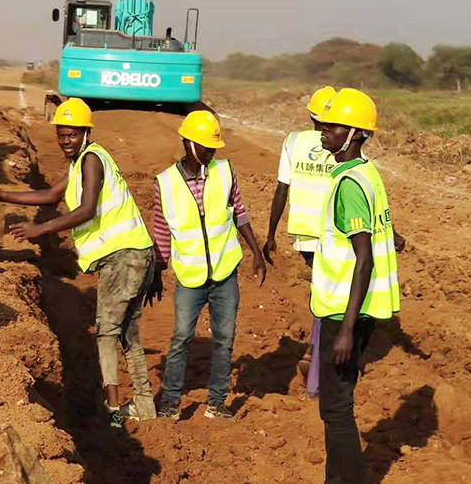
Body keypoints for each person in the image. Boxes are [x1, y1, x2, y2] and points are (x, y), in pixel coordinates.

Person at [0, 98, 157, 427]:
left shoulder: (92, 161)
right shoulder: (81, 162)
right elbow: (51, 196)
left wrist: (39, 228)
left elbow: (86, 210)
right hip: (133, 253)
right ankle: (144, 405)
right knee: (127, 333)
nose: (64, 140)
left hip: (124, 255)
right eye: (61, 135)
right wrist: (1, 194)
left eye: (71, 135)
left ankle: (113, 412)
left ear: (85, 132)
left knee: (106, 332)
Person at [149, 111, 267, 421]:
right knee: (181, 339)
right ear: (187, 143)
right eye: (206, 147)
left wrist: (255, 250)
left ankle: (217, 403)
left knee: (225, 339)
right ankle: (171, 404)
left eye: (214, 148)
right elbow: (162, 230)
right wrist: (157, 272)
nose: (211, 153)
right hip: (190, 277)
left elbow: (239, 212)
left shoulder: (225, 172)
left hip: (225, 272)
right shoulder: (166, 182)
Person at [311, 88, 401, 483]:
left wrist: (346, 328)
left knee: (336, 408)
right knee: (337, 404)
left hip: (342, 310)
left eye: (332, 127)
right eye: (323, 125)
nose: (323, 132)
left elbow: (363, 259)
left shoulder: (349, 184)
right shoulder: (366, 173)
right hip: (359, 307)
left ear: (357, 134)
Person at [263, 86, 338, 393]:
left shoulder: (293, 141)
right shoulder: (342, 144)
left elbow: (282, 188)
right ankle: (317, 359)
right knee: (330, 297)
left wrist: (270, 233)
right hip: (335, 234)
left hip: (304, 234)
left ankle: (314, 348)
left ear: (310, 115)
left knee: (321, 291)